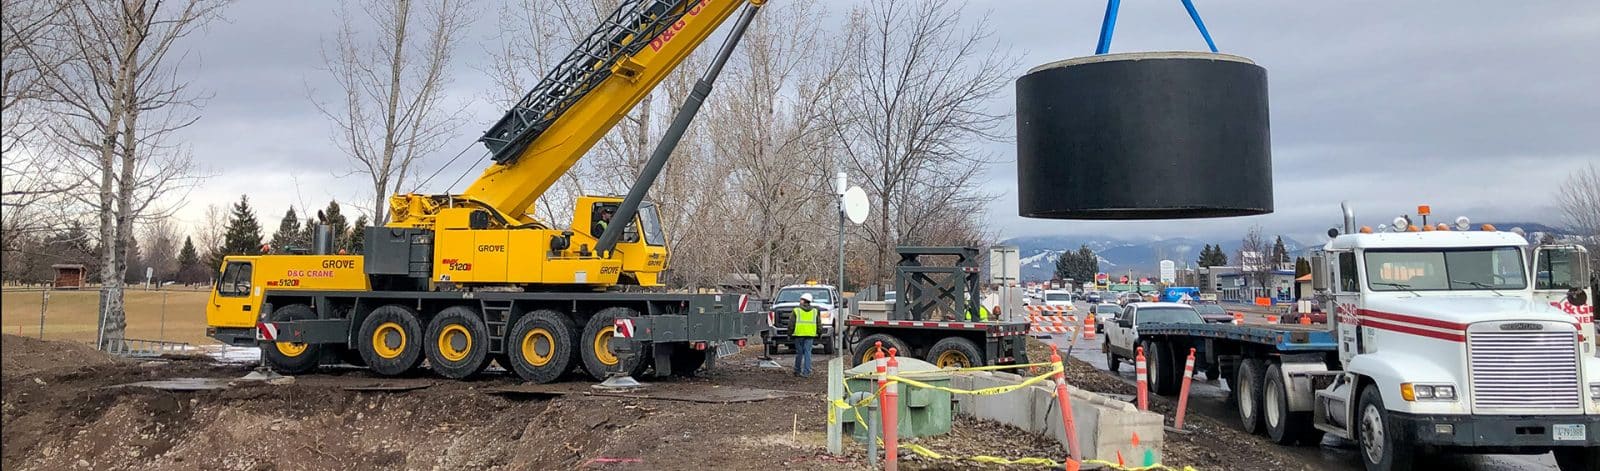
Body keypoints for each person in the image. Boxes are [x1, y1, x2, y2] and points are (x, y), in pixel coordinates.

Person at [791, 293, 820, 377]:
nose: (800, 301)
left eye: (801, 299)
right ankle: (807, 372)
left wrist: (789, 333)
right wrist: (819, 333)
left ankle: (797, 370)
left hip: (799, 334)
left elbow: (791, 323)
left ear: (804, 301)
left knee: (799, 353)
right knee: (808, 353)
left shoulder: (796, 310)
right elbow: (818, 323)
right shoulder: (815, 311)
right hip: (810, 334)